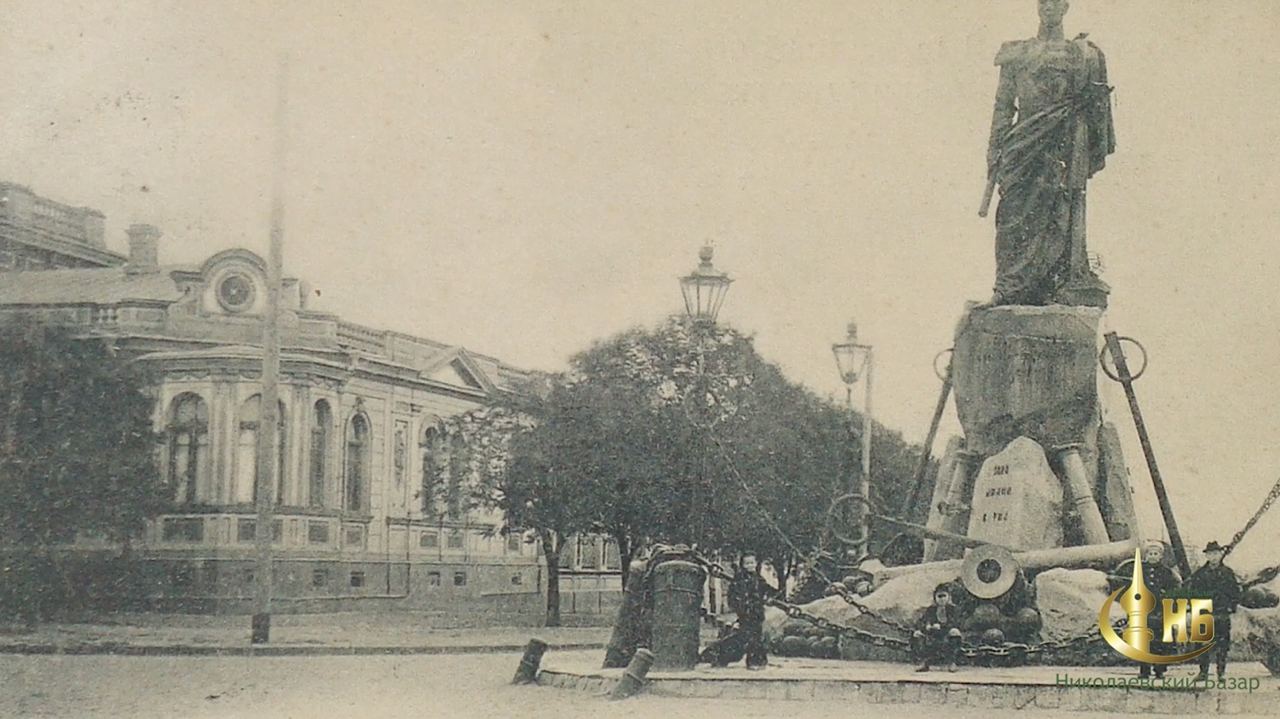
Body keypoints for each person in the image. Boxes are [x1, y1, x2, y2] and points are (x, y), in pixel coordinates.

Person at [984, 0, 1116, 308]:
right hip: (1022, 146)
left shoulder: (1081, 54)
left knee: (1058, 214)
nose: (1049, 8)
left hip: (1062, 145)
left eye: (1056, 2)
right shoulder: (1017, 53)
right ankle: (1008, 287)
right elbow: (1003, 107)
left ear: (1065, 7)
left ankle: (1051, 287)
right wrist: (994, 151)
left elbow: (1095, 110)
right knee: (1012, 216)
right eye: (1044, 1)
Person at [1186, 541, 1242, 681]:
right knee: (1202, 643)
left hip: (1221, 612)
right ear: (1206, 556)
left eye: (1216, 553)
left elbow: (1235, 591)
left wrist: (1231, 606)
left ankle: (1221, 673)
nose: (1213, 557)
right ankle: (1203, 672)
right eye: (1210, 554)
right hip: (1204, 612)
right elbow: (1192, 592)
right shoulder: (1199, 573)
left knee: (1222, 644)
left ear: (1220, 554)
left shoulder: (1228, 572)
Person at [1135, 542, 1180, 680]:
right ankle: (1144, 670)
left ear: (1160, 556)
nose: (1153, 556)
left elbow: (1173, 590)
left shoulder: (1166, 572)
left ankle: (1159, 670)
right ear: (1146, 556)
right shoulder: (1140, 571)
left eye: (1156, 554)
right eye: (1150, 554)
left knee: (1160, 641)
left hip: (1160, 611)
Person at [726, 553, 770, 670]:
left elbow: (765, 590)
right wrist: (738, 608)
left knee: (757, 636)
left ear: (756, 564)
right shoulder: (739, 579)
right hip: (745, 612)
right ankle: (752, 661)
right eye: (747, 563)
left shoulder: (759, 578)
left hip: (757, 612)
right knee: (749, 637)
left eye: (752, 563)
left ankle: (759, 661)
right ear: (743, 565)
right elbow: (733, 594)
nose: (750, 565)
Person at [912, 583, 963, 672]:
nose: (942, 599)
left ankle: (952, 662)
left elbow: (956, 623)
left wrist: (942, 626)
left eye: (944, 596)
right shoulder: (931, 610)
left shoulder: (953, 609)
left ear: (948, 597)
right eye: (939, 596)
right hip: (932, 634)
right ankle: (924, 663)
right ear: (935, 598)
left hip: (946, 633)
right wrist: (926, 626)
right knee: (917, 634)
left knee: (955, 632)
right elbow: (922, 621)